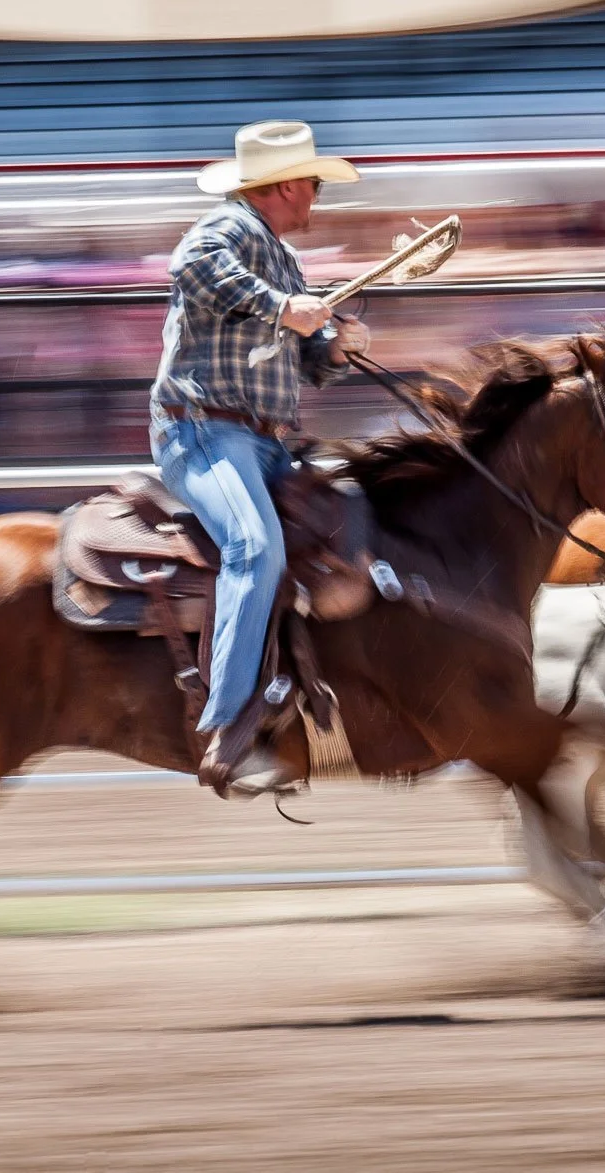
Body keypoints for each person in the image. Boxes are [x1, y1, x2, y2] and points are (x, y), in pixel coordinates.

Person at [151, 119, 369, 795]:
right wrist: (283, 308)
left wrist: (336, 346)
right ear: (281, 186)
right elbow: (190, 264)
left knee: (348, 526)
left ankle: (292, 692)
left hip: (264, 440)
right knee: (254, 546)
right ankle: (229, 725)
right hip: (204, 433)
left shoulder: (281, 256)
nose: (315, 197)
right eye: (310, 183)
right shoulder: (232, 229)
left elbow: (310, 356)